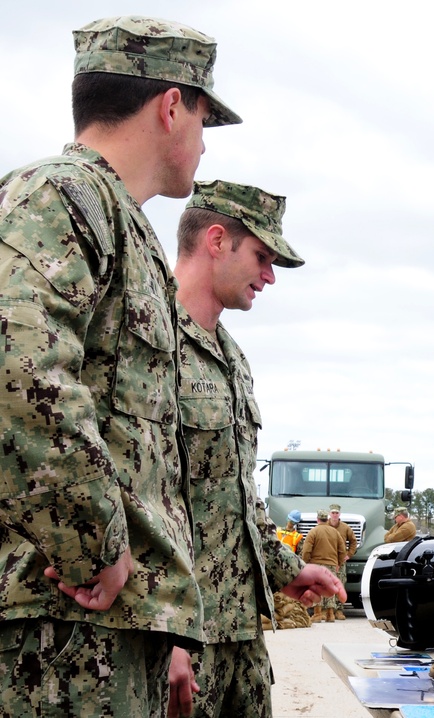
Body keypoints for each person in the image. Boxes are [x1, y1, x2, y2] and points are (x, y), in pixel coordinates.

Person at [0, 16, 241, 717]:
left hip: (106, 624)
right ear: (172, 106)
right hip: (61, 622)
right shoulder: (62, 194)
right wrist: (93, 543)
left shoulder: (121, 221)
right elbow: (20, 370)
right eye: (203, 118)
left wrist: (164, 616)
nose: (200, 142)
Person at [166, 180, 345, 717]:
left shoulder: (233, 360)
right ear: (216, 241)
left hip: (239, 632)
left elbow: (236, 494)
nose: (269, 276)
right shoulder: (147, 338)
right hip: (178, 639)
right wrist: (163, 628)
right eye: (262, 257)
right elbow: (139, 492)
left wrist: (283, 569)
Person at [301, 510, 347, 623]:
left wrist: (305, 563)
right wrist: (339, 563)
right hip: (331, 564)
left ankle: (317, 614)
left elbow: (306, 550)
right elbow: (342, 550)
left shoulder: (313, 531)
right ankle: (330, 614)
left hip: (316, 564)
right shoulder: (335, 532)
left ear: (317, 519)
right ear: (327, 519)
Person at [328, 504, 358, 620]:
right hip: (327, 559)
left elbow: (353, 542)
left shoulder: (345, 528)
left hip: (339, 561)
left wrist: (349, 554)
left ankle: (339, 610)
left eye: (337, 513)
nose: (335, 515)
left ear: (339, 514)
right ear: (329, 514)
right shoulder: (324, 526)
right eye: (333, 513)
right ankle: (328, 610)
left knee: (340, 584)